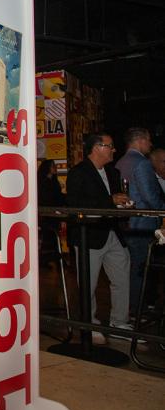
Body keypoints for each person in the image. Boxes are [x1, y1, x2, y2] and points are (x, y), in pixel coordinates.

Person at [66, 132, 132, 343]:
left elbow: (114, 200)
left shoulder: (114, 172)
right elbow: (76, 203)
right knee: (88, 283)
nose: (114, 150)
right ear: (96, 148)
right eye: (110, 146)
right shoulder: (78, 173)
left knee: (122, 277)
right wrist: (110, 200)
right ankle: (89, 322)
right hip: (89, 235)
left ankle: (118, 322)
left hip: (112, 232)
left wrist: (123, 203)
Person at [114, 127, 165, 312]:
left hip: (126, 223)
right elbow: (150, 196)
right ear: (140, 140)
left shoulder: (120, 161)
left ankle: (132, 307)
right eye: (149, 140)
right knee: (140, 269)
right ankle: (137, 310)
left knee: (131, 268)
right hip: (142, 223)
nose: (151, 144)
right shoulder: (141, 163)